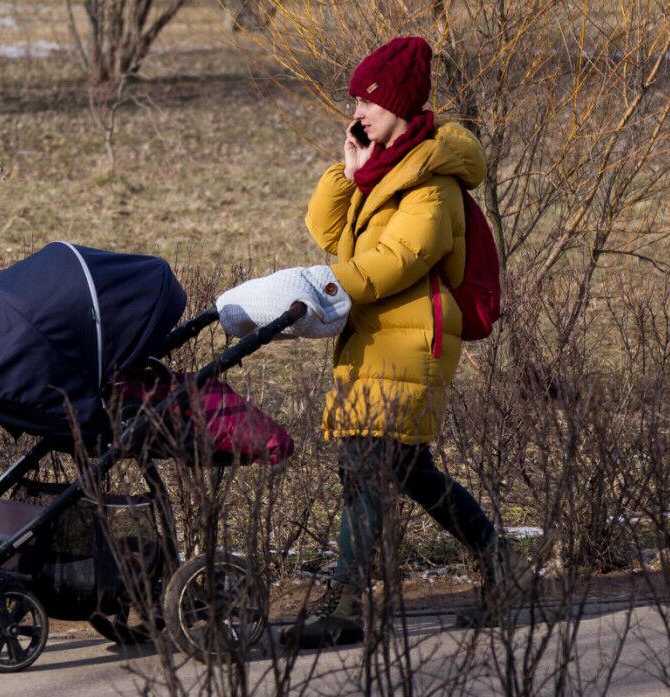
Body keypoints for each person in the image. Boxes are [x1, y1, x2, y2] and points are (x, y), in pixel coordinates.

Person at [215, 36, 535, 650]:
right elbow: (327, 230)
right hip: (375, 339)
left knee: (365, 470)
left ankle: (345, 607)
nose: (357, 112)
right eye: (356, 99)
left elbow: (396, 261)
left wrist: (319, 290)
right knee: (407, 471)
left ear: (401, 106)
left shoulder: (431, 186)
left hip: (411, 343)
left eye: (369, 101)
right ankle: (503, 567)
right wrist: (347, 173)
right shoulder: (383, 171)